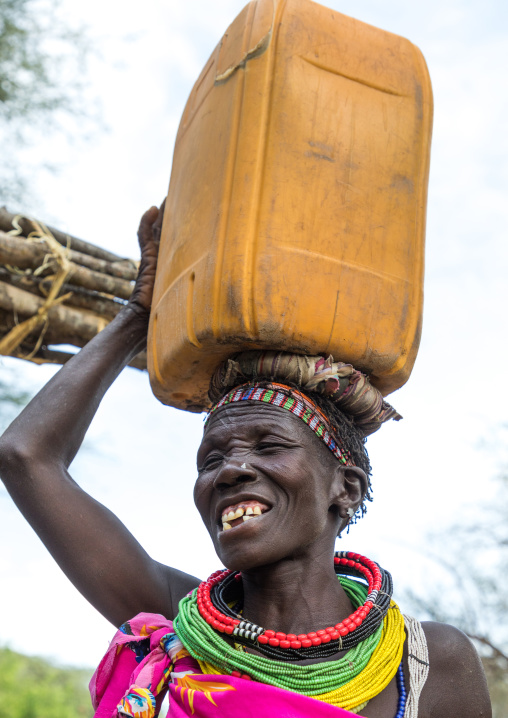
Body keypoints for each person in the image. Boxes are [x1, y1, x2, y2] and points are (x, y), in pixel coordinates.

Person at [0, 206, 491, 718]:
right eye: (210, 458)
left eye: (269, 446)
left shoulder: (430, 662)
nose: (228, 471)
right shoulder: (181, 626)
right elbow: (25, 456)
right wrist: (139, 317)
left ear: (344, 489)